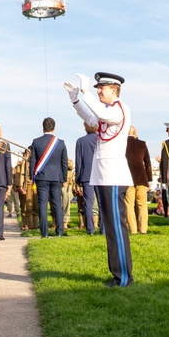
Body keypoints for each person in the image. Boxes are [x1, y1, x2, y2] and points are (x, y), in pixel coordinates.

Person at [65, 72, 133, 287]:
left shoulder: (119, 109)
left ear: (114, 89)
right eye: (96, 88)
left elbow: (101, 115)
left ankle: (123, 277)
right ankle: (117, 274)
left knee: (115, 229)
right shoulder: (108, 112)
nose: (98, 91)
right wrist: (76, 99)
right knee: (111, 229)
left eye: (101, 88)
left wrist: (85, 92)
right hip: (104, 176)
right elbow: (91, 118)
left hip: (113, 176)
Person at [28, 117, 68, 237]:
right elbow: (64, 162)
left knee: (42, 205)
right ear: (54, 128)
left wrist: (31, 177)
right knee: (57, 204)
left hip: (42, 177)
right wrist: (64, 178)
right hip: (56, 177)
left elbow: (32, 161)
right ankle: (59, 231)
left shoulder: (36, 142)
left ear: (43, 128)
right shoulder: (61, 143)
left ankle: (44, 232)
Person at [124, 126, 152, 234]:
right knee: (142, 204)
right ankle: (143, 229)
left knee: (129, 205)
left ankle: (133, 229)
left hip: (127, 178)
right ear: (135, 133)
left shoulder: (122, 144)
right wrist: (149, 179)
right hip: (141, 178)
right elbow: (148, 163)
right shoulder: (142, 144)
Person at [74, 122, 99, 234]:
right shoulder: (101, 139)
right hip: (100, 175)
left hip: (86, 175)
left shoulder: (80, 141)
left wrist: (78, 178)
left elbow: (78, 162)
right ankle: (103, 228)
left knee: (88, 203)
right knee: (101, 202)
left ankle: (90, 229)